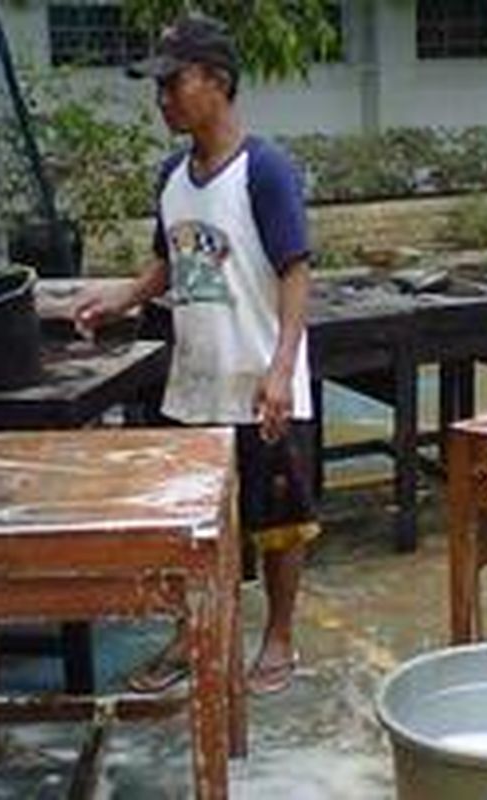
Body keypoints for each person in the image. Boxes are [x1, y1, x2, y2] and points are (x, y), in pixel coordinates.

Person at [71, 14, 317, 695]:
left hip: (263, 380)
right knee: (198, 521)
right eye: (160, 87)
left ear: (217, 82)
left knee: (279, 521)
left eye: (173, 84)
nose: (163, 100)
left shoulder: (264, 171)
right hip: (196, 382)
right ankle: (195, 631)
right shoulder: (171, 176)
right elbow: (167, 264)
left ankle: (280, 636)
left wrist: (279, 369)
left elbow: (297, 272)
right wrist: (119, 298)